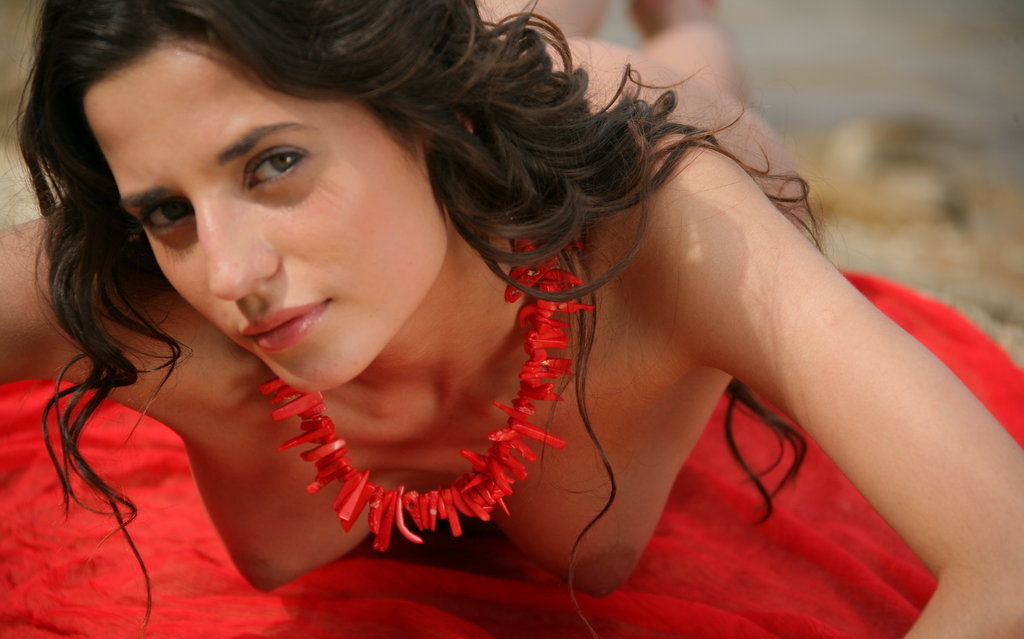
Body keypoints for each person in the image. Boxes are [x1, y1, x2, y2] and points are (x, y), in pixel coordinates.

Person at [1, 0, 1021, 637]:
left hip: (602, 135)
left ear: (434, 120)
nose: (230, 274)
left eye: (274, 164)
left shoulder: (676, 238)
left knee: (676, 65)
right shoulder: (133, 288)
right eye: (166, 209)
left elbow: (1010, 564)